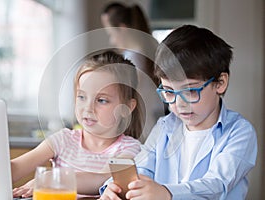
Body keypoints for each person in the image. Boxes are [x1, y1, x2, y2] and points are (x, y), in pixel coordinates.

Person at [99, 25, 258, 200]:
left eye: (190, 91)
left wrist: (167, 193)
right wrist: (113, 187)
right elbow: (142, 168)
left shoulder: (239, 132)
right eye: (168, 91)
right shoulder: (165, 126)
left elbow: (217, 185)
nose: (179, 104)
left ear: (220, 83)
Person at [11, 50, 144, 198]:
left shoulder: (130, 149)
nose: (88, 108)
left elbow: (104, 178)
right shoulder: (62, 140)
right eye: (82, 97)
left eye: (101, 100)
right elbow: (16, 168)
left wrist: (50, 179)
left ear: (127, 108)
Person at [101, 2, 168, 141]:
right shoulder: (144, 55)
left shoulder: (133, 59)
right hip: (149, 131)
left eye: (111, 34)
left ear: (122, 29)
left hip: (141, 134)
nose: (112, 41)